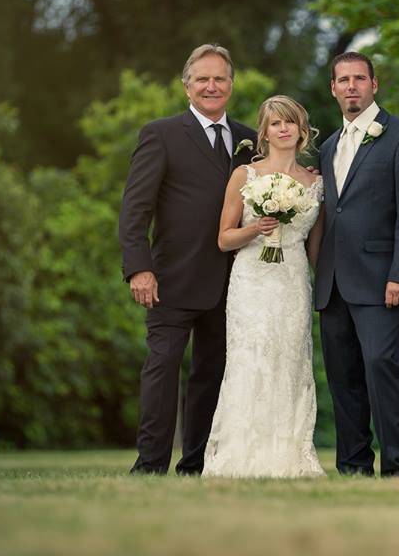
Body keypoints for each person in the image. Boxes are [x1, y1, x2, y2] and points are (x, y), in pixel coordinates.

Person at [118, 44, 258, 475]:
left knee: (211, 375)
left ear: (231, 86)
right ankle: (151, 464)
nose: (211, 86)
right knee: (161, 372)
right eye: (203, 79)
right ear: (187, 86)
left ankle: (195, 464)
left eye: (219, 79)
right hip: (171, 279)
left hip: (231, 281)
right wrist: (139, 267)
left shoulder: (249, 137)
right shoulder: (160, 133)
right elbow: (134, 208)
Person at [314, 51, 399, 476]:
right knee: (343, 381)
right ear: (333, 88)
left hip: (382, 281)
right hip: (333, 285)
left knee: (382, 368)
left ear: (374, 85)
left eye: (359, 79)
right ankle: (353, 467)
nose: (351, 86)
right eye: (342, 80)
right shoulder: (327, 146)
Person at [202, 95, 325, 478]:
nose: (283, 129)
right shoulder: (245, 175)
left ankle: (289, 456)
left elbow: (315, 250)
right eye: (275, 123)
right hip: (251, 280)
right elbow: (223, 239)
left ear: (302, 131)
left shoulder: (315, 182)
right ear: (265, 131)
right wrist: (256, 228)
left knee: (289, 363)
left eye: (290, 122)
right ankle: (239, 456)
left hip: (292, 282)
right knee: (250, 361)